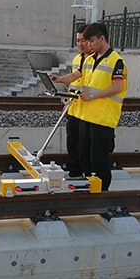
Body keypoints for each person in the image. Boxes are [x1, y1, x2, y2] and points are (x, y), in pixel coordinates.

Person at [77, 22, 127, 191]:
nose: (88, 45)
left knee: (98, 159)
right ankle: (90, 187)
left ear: (101, 38)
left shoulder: (116, 61)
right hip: (87, 115)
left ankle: (102, 193)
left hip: (103, 118)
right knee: (84, 155)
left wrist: (92, 95)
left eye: (91, 41)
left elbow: (116, 87)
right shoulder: (90, 60)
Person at [50, 24, 91, 178]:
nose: (80, 44)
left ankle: (86, 173)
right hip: (74, 108)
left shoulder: (95, 60)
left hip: (88, 110)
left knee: (84, 145)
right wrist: (66, 103)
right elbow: (74, 82)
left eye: (83, 40)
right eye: (78, 40)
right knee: (72, 142)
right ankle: (74, 170)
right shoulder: (77, 58)